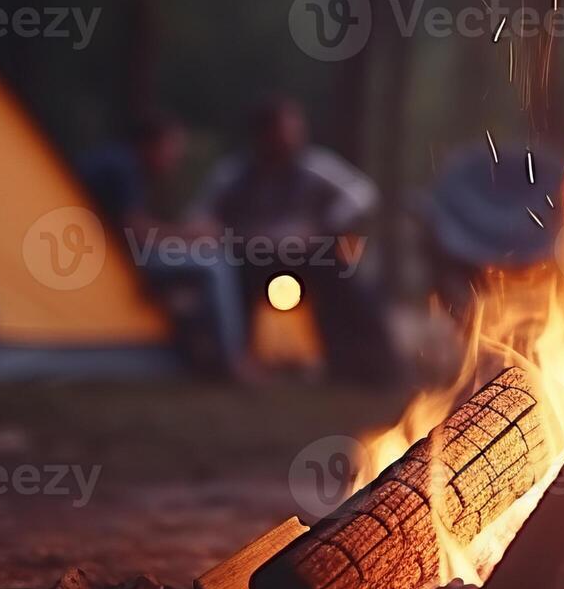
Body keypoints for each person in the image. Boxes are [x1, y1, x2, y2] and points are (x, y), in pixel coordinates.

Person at [193, 98, 397, 384]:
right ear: (262, 136)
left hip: (310, 256)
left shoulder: (315, 165)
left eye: (294, 130)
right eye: (283, 132)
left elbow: (361, 193)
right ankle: (230, 362)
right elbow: (201, 213)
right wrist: (212, 229)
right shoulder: (235, 173)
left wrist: (325, 225)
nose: (291, 139)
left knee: (349, 281)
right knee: (223, 282)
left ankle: (370, 365)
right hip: (249, 257)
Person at [77, 112, 244, 378]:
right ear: (152, 143)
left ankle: (201, 353)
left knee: (198, 274)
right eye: (173, 147)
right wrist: (190, 236)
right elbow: (136, 233)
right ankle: (231, 360)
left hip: (99, 254)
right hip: (106, 259)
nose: (175, 158)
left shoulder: (118, 161)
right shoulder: (123, 166)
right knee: (215, 264)